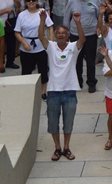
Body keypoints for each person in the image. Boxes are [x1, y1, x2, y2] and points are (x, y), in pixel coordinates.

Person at [40, 10, 84, 161]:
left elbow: (82, 40)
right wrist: (42, 20)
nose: (60, 35)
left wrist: (77, 22)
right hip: (53, 91)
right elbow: (41, 36)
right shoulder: (51, 47)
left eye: (63, 33)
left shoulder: (73, 48)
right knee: (53, 123)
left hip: (70, 91)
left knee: (68, 123)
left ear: (67, 36)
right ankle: (57, 148)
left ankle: (66, 147)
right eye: (58, 33)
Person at [64, 0, 101, 91]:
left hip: (91, 34)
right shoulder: (72, 1)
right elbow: (66, 17)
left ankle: (91, 83)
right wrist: (66, 32)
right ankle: (77, 82)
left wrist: (99, 27)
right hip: (75, 34)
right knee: (77, 60)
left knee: (90, 59)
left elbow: (100, 15)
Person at [16, 0, 49, 97]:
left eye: (33, 0)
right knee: (26, 71)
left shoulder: (42, 12)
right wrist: (24, 43)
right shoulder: (22, 15)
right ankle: (27, 91)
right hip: (26, 47)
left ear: (36, 1)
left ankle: (43, 91)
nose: (31, 2)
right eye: (28, 0)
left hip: (40, 46)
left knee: (43, 70)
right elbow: (17, 32)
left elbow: (50, 26)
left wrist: (50, 42)